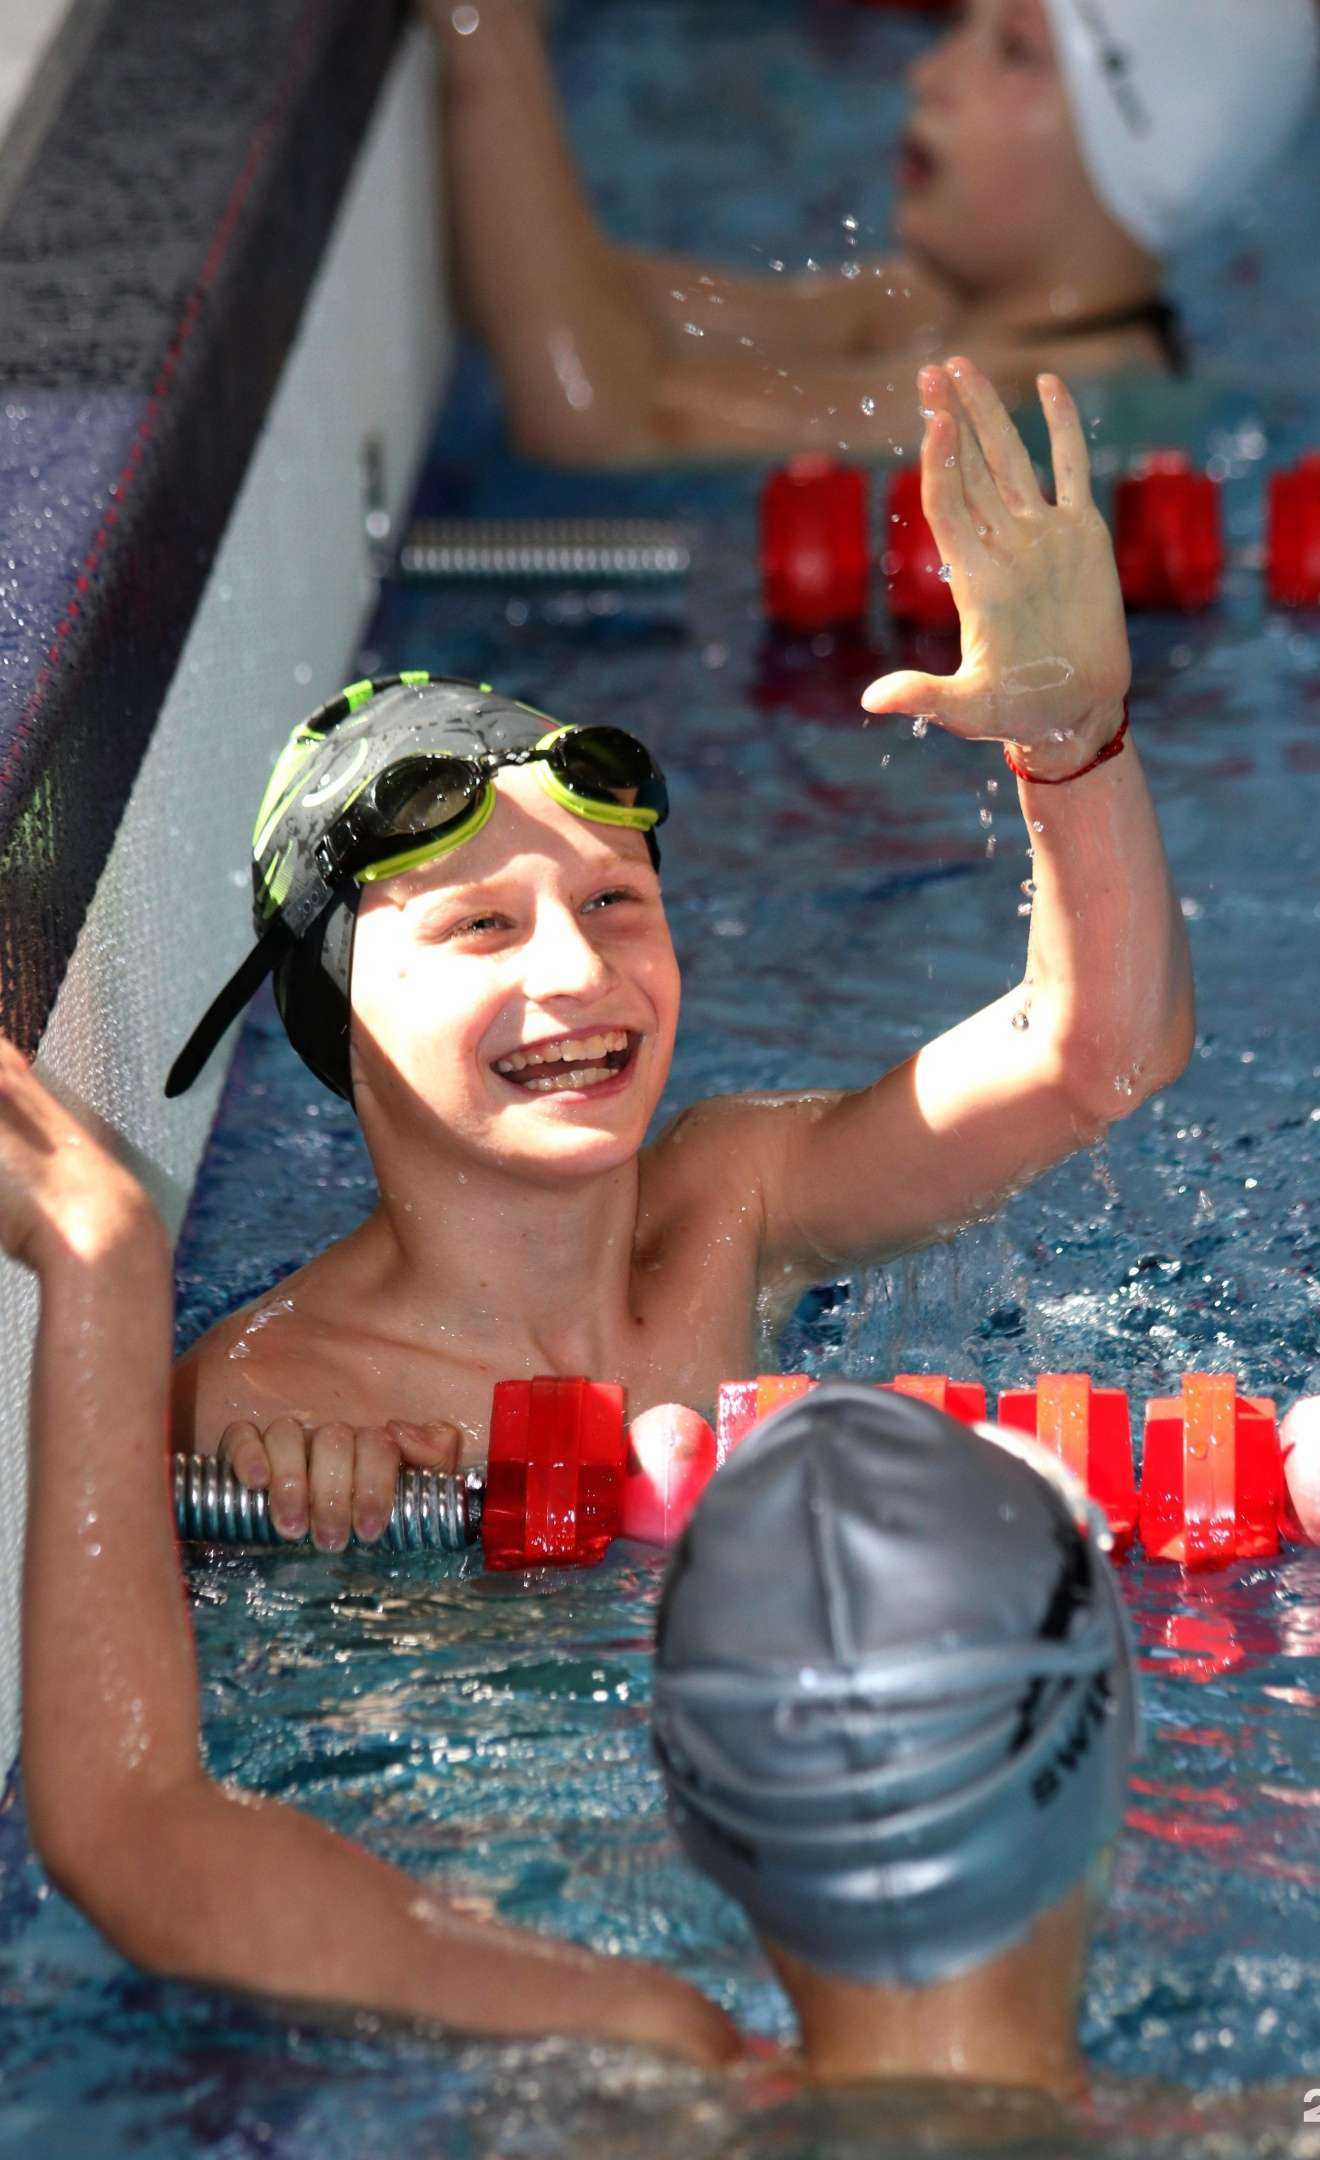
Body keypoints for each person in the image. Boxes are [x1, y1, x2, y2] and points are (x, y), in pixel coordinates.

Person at [168, 358, 1194, 1547]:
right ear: (338, 1015)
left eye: (612, 901)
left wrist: (1073, 739)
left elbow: (1096, 1058)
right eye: (483, 925)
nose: (580, 974)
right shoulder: (264, 1405)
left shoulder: (730, 1200)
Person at [4, 1051, 1128, 2101]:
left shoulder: (646, 2069)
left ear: (685, 1810)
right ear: (1119, 1740)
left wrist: (103, 1254)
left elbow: (131, 1827)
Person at [420, 0, 1320, 464]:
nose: (930, 73)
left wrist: (483, 35)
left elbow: (601, 424)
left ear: (1129, 153)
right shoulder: (930, 303)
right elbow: (578, 294)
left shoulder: (1005, 412)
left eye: (1013, 51)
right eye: (961, 24)